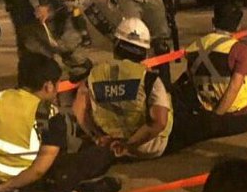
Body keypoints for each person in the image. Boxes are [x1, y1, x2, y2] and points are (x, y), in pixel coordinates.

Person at [0, 52, 119, 192]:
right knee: (98, 155)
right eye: (57, 84)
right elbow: (38, 170)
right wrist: (5, 188)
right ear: (48, 86)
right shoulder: (49, 114)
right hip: (30, 183)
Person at [167, 3, 247, 151]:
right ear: (238, 26)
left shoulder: (195, 46)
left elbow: (191, 78)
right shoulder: (238, 49)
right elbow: (234, 87)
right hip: (237, 104)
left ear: (213, 21)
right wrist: (218, 116)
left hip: (207, 102)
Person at [73, 17, 174, 160]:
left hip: (108, 145)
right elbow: (159, 122)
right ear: (144, 52)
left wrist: (97, 137)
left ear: (116, 46)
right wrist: (127, 146)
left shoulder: (94, 76)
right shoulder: (148, 78)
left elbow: (79, 110)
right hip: (148, 147)